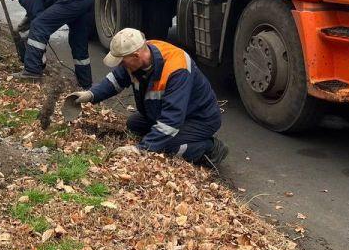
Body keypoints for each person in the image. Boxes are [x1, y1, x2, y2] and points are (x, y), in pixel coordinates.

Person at [67, 28, 228, 167]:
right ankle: (170, 140)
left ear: (136, 56)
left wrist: (141, 149)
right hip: (167, 112)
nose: (121, 65)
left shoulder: (177, 69)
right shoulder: (140, 53)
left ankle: (209, 147)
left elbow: (171, 120)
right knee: (133, 124)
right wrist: (90, 95)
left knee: (167, 147)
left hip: (199, 118)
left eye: (122, 62)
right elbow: (114, 81)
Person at [0, 0, 94, 88]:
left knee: (38, 26)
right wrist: (25, 23)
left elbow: (38, 20)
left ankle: (32, 71)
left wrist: (38, 59)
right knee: (78, 42)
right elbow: (38, 8)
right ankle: (86, 86)